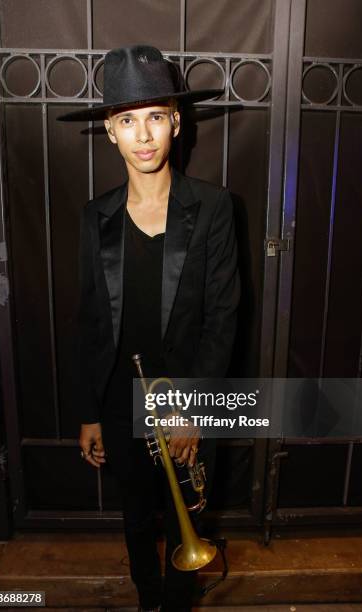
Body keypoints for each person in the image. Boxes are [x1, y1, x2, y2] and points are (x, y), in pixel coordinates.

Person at [58, 45, 240, 612]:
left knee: (189, 513)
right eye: (128, 120)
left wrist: (193, 407)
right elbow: (90, 320)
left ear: (176, 123)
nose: (143, 135)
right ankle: (146, 600)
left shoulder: (213, 208)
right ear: (110, 131)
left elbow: (224, 318)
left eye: (156, 116)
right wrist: (90, 411)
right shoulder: (96, 216)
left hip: (186, 401)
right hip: (118, 405)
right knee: (136, 519)